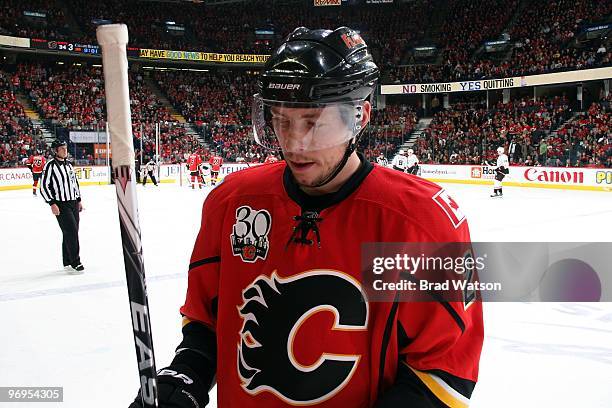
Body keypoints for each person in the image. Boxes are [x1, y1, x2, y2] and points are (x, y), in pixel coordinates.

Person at [130, 26, 482, 408]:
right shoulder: (230, 203)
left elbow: (445, 371)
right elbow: (207, 324)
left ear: (359, 116)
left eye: (312, 123)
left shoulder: (422, 222)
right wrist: (184, 378)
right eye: (281, 120)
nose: (294, 143)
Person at [40, 140, 84, 274]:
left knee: (71, 231)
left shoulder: (69, 165)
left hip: (73, 203)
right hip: (61, 204)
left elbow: (74, 183)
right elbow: (43, 186)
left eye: (65, 148)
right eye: (62, 149)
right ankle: (76, 261)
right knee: (71, 231)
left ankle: (67, 260)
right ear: (55, 150)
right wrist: (52, 203)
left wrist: (79, 200)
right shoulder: (50, 166)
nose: (65, 150)